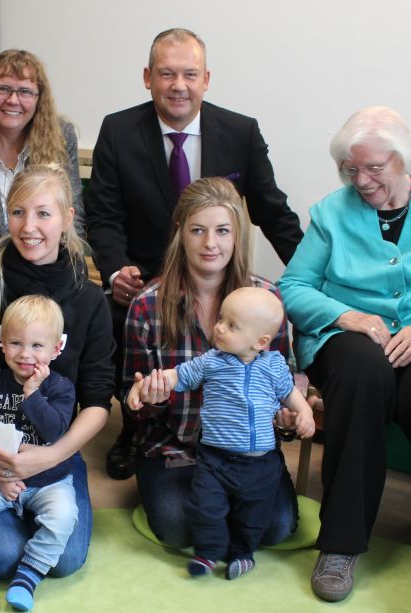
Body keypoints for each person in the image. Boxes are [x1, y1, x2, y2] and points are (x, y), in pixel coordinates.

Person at [279, 106, 411, 602]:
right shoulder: (331, 212)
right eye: (350, 169)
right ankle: (341, 541)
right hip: (348, 341)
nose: (361, 180)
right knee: (363, 374)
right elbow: (293, 287)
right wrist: (346, 316)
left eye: (374, 168)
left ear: (404, 161)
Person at [85, 27, 304, 481]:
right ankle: (136, 426)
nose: (178, 85)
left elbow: (273, 212)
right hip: (144, 277)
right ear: (148, 77)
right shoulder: (119, 130)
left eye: (190, 74)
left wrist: (308, 275)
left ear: (206, 79)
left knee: (253, 315)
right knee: (114, 315)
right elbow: (104, 215)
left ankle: (235, 429)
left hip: (218, 275)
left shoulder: (241, 131)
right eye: (167, 74)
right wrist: (116, 270)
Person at [0, 164, 114, 580]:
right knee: (6, 557)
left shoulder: (88, 299)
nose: (29, 227)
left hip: (51, 453)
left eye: (43, 213)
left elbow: (99, 400)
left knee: (64, 561)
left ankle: (25, 502)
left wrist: (53, 455)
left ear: (67, 218)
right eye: (18, 212)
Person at [122, 176, 301, 553]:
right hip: (175, 450)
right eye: (197, 230)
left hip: (247, 456)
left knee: (277, 527)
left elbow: (280, 387)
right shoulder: (147, 305)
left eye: (222, 230)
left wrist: (287, 422)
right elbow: (132, 405)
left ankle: (227, 512)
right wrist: (148, 398)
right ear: (180, 233)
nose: (210, 243)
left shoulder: (266, 299)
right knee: (178, 527)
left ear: (237, 235)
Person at [127, 286, 315, 580]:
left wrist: (304, 413)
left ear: (261, 341)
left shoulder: (274, 365)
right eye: (220, 320)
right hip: (215, 459)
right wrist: (143, 386)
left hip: (261, 463)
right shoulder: (211, 361)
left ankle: (242, 554)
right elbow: (177, 375)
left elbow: (290, 393)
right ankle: (208, 551)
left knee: (256, 515)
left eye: (231, 325)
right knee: (204, 506)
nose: (219, 328)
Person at [0, 295, 77, 613]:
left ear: (56, 350)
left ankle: (28, 577)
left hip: (50, 481)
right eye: (16, 343)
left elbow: (54, 432)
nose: (25, 354)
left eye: (37, 346)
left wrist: (32, 394)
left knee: (64, 515)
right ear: (3, 344)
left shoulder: (61, 388)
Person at [0, 49, 84, 243]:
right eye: (3, 89)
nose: (12, 100)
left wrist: (63, 259)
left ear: (39, 98)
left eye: (25, 91)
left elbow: (73, 218)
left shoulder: (61, 138)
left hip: (47, 257)